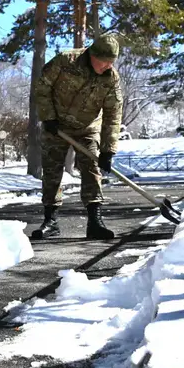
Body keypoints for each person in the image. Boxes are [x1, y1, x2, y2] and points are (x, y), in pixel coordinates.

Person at [32, 33, 123, 240]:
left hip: (87, 127)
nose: (108, 66)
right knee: (52, 170)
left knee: (91, 169)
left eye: (111, 62)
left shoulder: (111, 78)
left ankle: (95, 221)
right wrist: (48, 117)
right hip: (57, 124)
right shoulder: (66, 61)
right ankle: (51, 221)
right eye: (104, 62)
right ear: (92, 54)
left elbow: (113, 115)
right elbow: (42, 85)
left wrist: (108, 150)